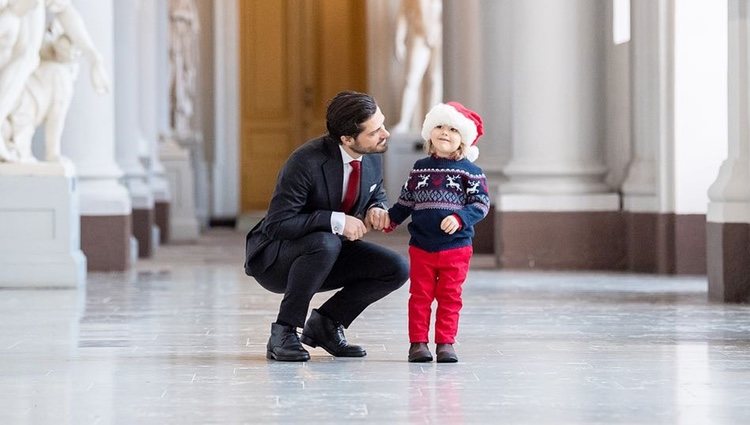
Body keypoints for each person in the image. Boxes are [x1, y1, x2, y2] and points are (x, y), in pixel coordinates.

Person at [244, 91, 409, 362]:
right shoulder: (306, 162)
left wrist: (375, 206)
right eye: (375, 130)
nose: (386, 133)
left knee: (396, 268)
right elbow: (277, 224)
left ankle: (326, 324)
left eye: (383, 124)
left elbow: (374, 188)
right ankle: (283, 332)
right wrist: (337, 220)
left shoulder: (371, 155)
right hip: (277, 258)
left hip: (327, 252)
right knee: (326, 241)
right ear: (346, 138)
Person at [386, 101, 490, 363]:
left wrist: (460, 217)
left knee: (450, 296)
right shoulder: (420, 167)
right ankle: (418, 343)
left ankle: (446, 343)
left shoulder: (471, 172)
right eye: (440, 126)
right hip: (421, 246)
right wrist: (391, 220)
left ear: (463, 141)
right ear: (430, 132)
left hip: (456, 247)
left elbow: (480, 204)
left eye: (453, 129)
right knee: (419, 296)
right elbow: (407, 200)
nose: (445, 132)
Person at [391, 0, 442, 134]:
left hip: (440, 36)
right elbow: (403, 13)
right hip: (418, 36)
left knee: (435, 80)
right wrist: (398, 39)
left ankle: (433, 123)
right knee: (411, 80)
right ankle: (404, 121)